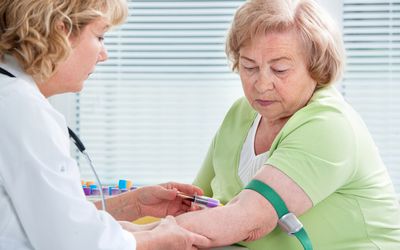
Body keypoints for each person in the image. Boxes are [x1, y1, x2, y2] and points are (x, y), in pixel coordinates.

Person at [175, 0, 400, 249]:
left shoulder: (330, 126)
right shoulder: (240, 115)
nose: (261, 84)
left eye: (280, 70)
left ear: (317, 68)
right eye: (249, 67)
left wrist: (134, 238)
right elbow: (194, 200)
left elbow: (246, 219)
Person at [0, 0, 208, 249]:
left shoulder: (13, 99)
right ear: (61, 31)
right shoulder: (22, 110)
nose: (104, 55)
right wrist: (156, 241)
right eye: (99, 36)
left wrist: (134, 205)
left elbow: (45, 218)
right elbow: (72, 242)